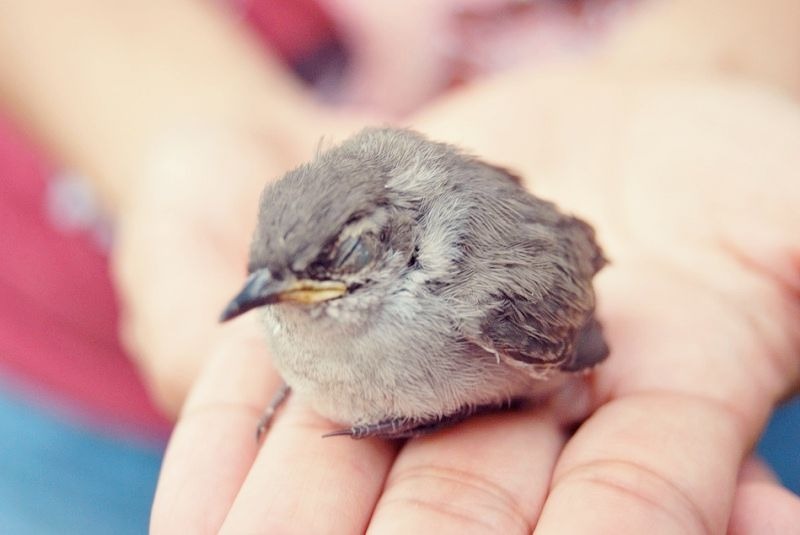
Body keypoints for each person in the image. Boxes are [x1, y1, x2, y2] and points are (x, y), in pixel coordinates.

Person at [0, 0, 798, 533]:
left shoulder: (490, 302)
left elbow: (580, 334)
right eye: (269, 278)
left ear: (396, 243)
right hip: (58, 378)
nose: (271, 299)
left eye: (337, 260)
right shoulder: (289, 296)